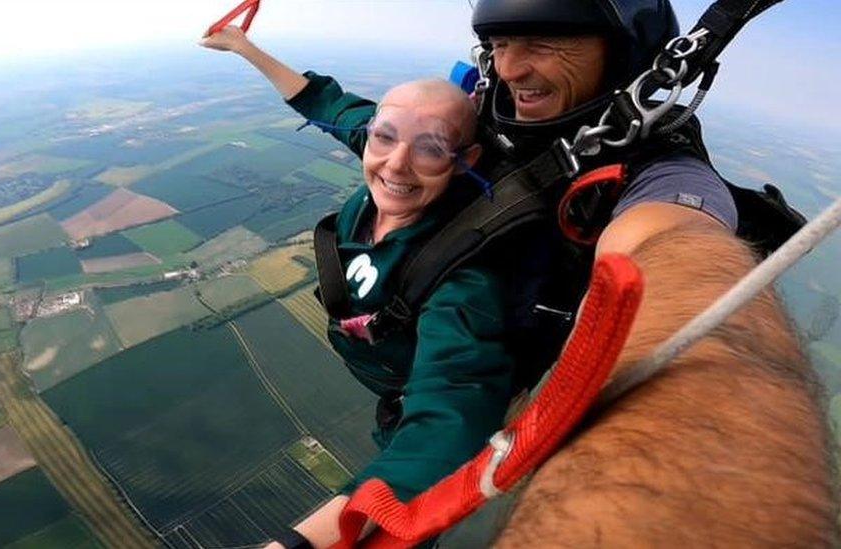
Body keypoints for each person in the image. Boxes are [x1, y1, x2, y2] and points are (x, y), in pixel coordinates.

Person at [203, 0, 839, 542]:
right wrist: (245, 48)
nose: (509, 67)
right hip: (401, 363)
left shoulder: (662, 176)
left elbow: (677, 254)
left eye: (543, 42)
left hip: (457, 384)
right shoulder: (475, 125)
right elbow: (345, 114)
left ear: (621, 54)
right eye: (500, 42)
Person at [202, 29, 528, 548]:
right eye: (384, 137)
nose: (396, 164)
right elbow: (326, 102)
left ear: (465, 159)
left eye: (430, 150)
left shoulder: (462, 274)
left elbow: (449, 424)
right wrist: (244, 46)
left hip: (407, 402)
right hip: (384, 373)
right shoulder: (389, 148)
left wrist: (299, 543)